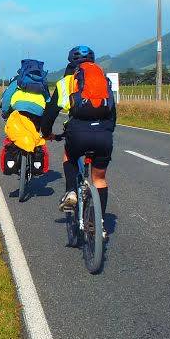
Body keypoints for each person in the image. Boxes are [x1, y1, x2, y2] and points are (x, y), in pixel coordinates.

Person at [43, 45, 116, 218]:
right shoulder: (103, 81)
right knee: (99, 179)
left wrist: (46, 133)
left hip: (78, 133)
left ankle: (71, 193)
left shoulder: (66, 82)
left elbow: (51, 112)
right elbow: (113, 113)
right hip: (104, 135)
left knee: (69, 155)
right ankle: (101, 224)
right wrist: (107, 132)